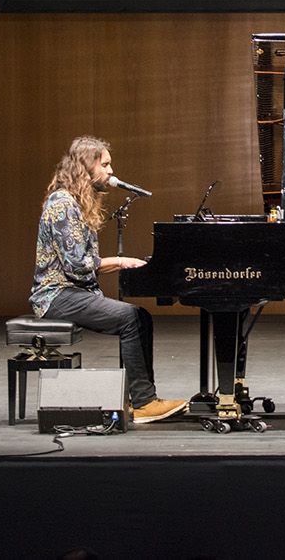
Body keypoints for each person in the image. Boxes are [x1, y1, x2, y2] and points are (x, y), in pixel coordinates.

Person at [29, 136, 187, 424]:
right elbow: (77, 266)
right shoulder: (62, 204)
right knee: (129, 318)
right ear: (85, 166)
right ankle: (144, 402)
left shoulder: (76, 203)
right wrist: (121, 261)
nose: (111, 171)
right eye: (105, 164)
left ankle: (142, 399)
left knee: (140, 317)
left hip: (74, 293)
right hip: (56, 296)